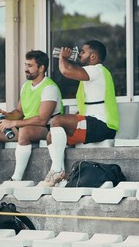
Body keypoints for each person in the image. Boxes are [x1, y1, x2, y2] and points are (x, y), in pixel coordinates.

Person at [0, 50, 63, 181]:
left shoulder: (50, 88)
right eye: (25, 65)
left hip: (45, 130)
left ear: (41, 68)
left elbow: (42, 120)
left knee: (24, 131)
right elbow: (19, 112)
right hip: (26, 126)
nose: (26, 69)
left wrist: (13, 123)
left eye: (30, 66)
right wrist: (7, 115)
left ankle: (16, 178)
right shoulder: (26, 86)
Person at [42, 40, 119, 187]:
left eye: (83, 52)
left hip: (103, 125)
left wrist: (63, 57)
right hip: (92, 123)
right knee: (51, 134)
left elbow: (66, 71)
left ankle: (58, 170)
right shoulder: (91, 73)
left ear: (93, 57)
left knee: (56, 121)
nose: (79, 54)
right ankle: (60, 174)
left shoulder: (97, 70)